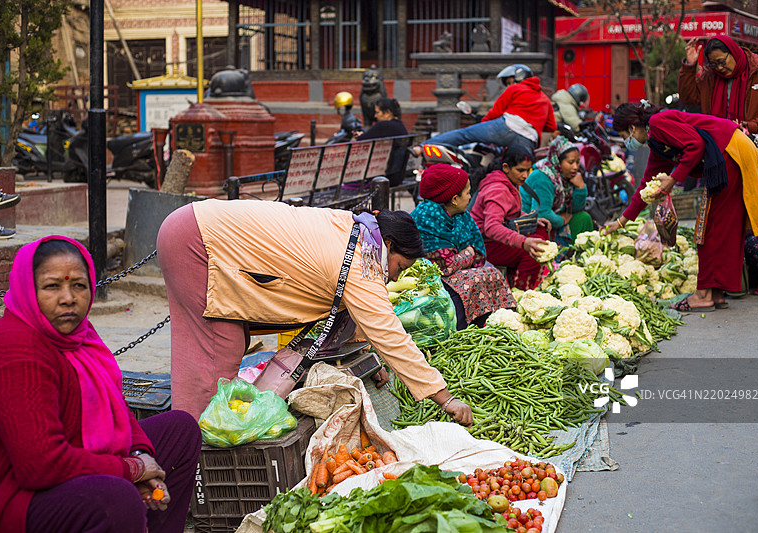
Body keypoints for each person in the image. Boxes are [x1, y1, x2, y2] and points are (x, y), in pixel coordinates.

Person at [157, 202, 473, 425]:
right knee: (215, 353)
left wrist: (371, 360)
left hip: (196, 228)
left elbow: (354, 312)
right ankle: (197, 458)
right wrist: (444, 397)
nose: (392, 276)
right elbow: (390, 334)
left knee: (223, 345)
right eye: (399, 267)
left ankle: (196, 445)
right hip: (199, 242)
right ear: (388, 245)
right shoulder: (363, 260)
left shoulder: (358, 233)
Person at [0, 236, 201, 533]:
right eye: (52, 286)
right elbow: (40, 466)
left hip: (83, 458)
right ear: (27, 289)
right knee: (115, 501)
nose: (68, 298)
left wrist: (140, 454)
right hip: (18, 498)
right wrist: (132, 470)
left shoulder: (80, 334)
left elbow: (116, 407)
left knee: (180, 429)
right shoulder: (13, 347)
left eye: (78, 285)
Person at [604, 102, 758, 312]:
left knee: (708, 229)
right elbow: (645, 184)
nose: (628, 142)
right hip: (730, 153)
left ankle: (703, 295)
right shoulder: (657, 144)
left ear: (632, 128)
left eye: (625, 135)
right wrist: (621, 221)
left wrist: (672, 180)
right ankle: (715, 292)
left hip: (730, 152)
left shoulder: (658, 123)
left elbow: (695, 145)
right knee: (721, 227)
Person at [410, 164, 515, 328]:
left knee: (491, 271)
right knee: (474, 281)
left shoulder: (460, 215)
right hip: (430, 278)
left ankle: (492, 324)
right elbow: (444, 266)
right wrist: (469, 253)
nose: (469, 196)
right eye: (467, 193)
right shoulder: (428, 217)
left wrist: (466, 255)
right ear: (454, 199)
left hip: (454, 272)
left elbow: (479, 253)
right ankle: (463, 329)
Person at [678, 35, 758, 174]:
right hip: (723, 153)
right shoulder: (711, 75)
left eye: (722, 61)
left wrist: (749, 126)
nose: (720, 67)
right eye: (714, 63)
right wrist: (689, 66)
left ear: (733, 52)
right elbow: (689, 98)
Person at [417, 64, 556, 155]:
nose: (508, 86)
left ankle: (421, 148)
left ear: (518, 79)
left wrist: (483, 124)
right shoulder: (545, 99)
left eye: (509, 82)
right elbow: (551, 127)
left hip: (506, 127)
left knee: (464, 135)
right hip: (528, 139)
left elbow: (496, 112)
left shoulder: (515, 88)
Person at [470, 144, 551, 289]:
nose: (525, 175)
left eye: (528, 170)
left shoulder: (510, 182)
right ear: (506, 167)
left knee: (541, 232)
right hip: (483, 245)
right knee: (535, 251)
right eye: (520, 170)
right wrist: (523, 242)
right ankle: (522, 291)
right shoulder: (498, 189)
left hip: (494, 239)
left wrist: (531, 219)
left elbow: (510, 211)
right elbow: (491, 227)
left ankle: (516, 278)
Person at [521, 136, 593, 247]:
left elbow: (575, 209)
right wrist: (561, 220)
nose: (575, 167)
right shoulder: (542, 177)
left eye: (577, 162)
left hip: (554, 219)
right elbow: (542, 214)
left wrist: (581, 188)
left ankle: (578, 255)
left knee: (584, 218)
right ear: (558, 161)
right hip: (530, 226)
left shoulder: (564, 177)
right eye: (571, 162)